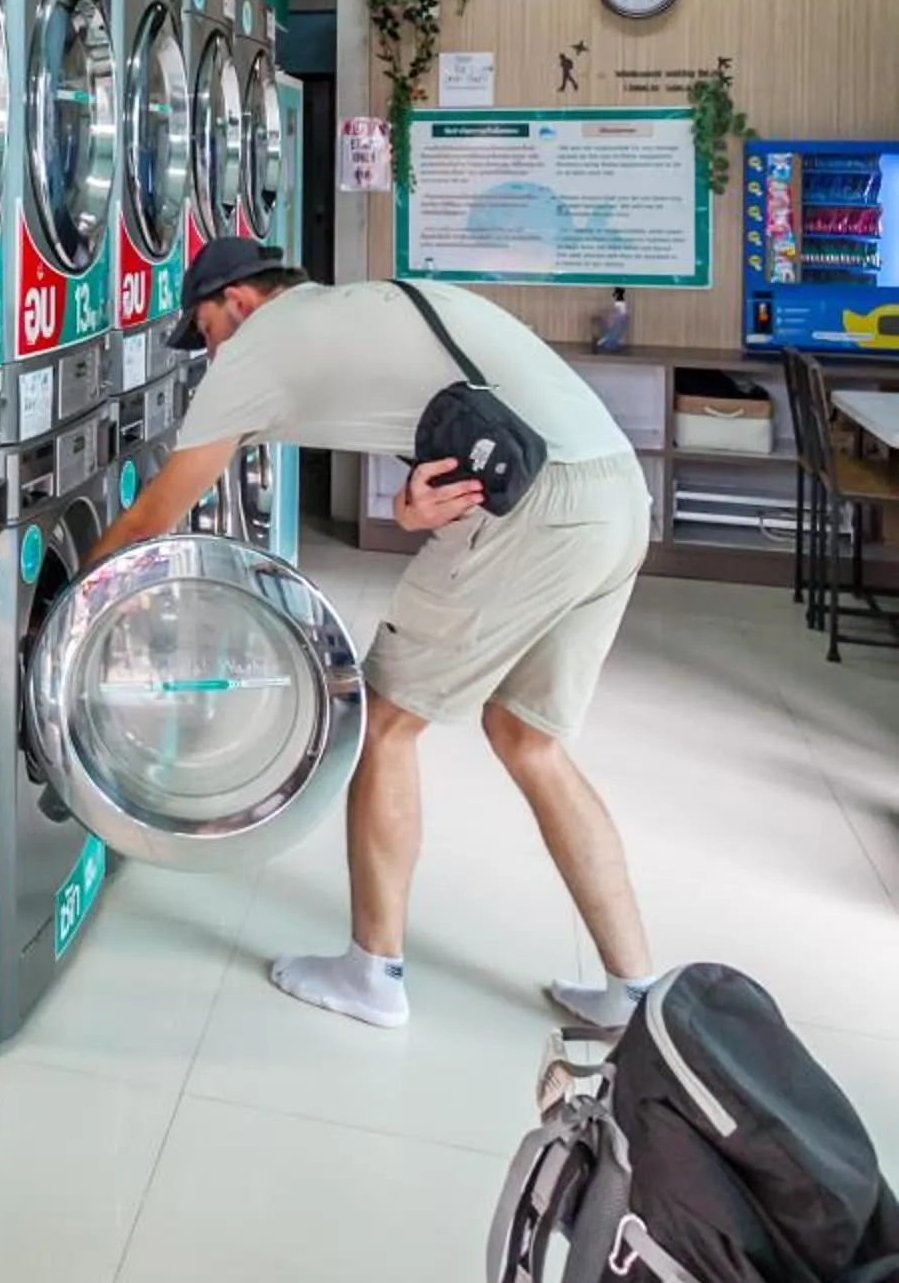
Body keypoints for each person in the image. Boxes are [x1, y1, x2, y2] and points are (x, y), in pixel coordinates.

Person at [87, 239, 654, 1034]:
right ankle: (633, 991)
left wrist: (62, 619)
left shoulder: (259, 348)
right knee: (529, 739)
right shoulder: (378, 306)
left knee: (384, 723)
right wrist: (413, 514)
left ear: (241, 303)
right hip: (618, 497)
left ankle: (372, 973)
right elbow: (445, 469)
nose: (208, 351)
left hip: (541, 512)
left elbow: (155, 515)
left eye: (206, 330)